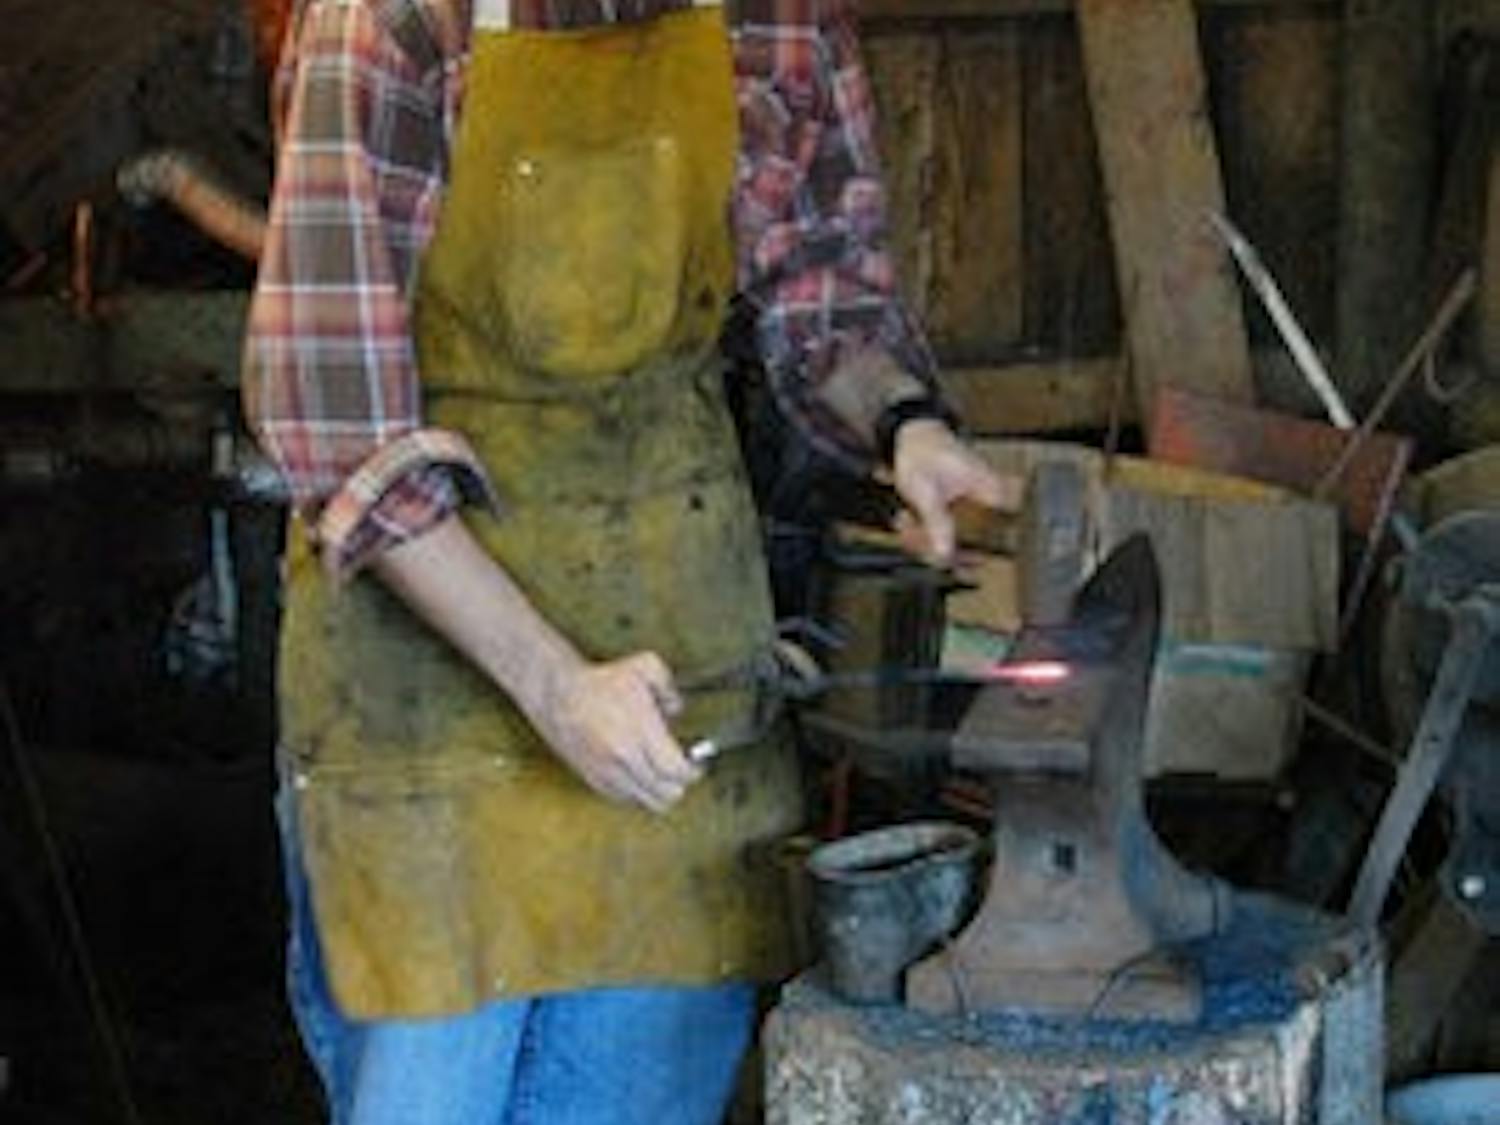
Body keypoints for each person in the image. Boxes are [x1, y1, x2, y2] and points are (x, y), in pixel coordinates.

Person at [243, 1, 1018, 1122]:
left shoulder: (780, 18)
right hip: (425, 702)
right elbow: (338, 423)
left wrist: (906, 426)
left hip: (678, 659)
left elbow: (824, 284)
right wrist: (554, 686)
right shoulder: (394, 20)